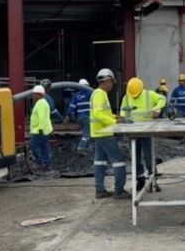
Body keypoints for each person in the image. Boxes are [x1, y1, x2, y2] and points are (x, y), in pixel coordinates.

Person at [90, 68, 131, 199]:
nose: (112, 85)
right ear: (107, 81)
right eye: (112, 82)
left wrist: (116, 117)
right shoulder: (99, 94)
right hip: (104, 133)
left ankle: (100, 190)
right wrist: (113, 122)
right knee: (119, 160)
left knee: (100, 162)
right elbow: (98, 114)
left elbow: (104, 113)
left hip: (98, 133)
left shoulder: (99, 94)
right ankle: (119, 190)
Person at [119, 77, 166, 191]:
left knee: (149, 155)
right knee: (135, 156)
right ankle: (140, 179)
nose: (134, 96)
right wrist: (124, 119)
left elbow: (162, 99)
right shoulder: (126, 97)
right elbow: (122, 112)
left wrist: (156, 110)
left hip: (146, 130)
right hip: (133, 131)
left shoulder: (148, 94)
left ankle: (152, 180)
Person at [29, 85, 53, 171]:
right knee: (44, 146)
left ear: (38, 94)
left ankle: (40, 163)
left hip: (40, 130)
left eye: (34, 94)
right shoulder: (43, 102)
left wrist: (40, 129)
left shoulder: (41, 104)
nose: (33, 96)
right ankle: (47, 164)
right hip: (45, 130)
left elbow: (42, 117)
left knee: (33, 144)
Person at [64, 78, 93, 151]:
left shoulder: (76, 95)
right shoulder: (91, 93)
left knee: (86, 132)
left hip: (80, 118)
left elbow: (71, 107)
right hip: (87, 117)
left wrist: (67, 116)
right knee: (87, 134)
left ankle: (87, 147)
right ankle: (81, 148)